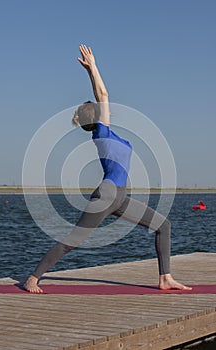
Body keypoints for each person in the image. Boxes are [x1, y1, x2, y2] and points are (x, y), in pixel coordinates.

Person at [24, 44, 191, 293]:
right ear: (98, 117)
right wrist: (92, 67)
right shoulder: (102, 133)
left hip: (120, 196)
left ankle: (165, 278)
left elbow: (101, 97)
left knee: (162, 225)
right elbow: (103, 94)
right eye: (102, 109)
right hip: (107, 195)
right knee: (73, 241)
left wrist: (91, 71)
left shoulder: (109, 134)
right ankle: (33, 278)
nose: (108, 109)